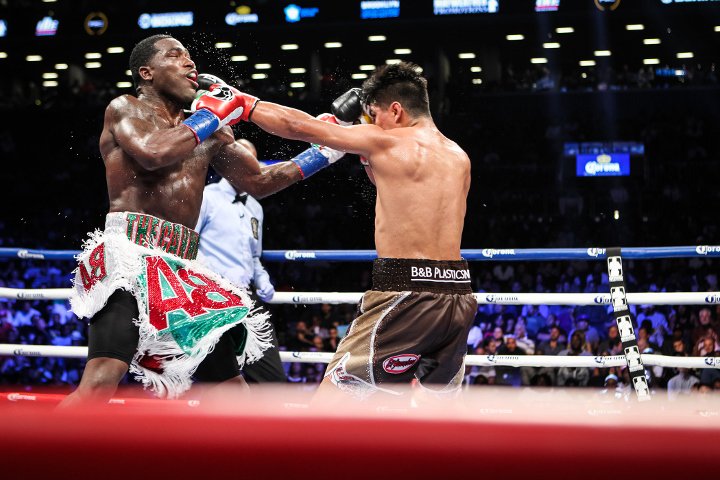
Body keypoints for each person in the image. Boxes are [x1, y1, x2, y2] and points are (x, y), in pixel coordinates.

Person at [60, 34, 343, 406]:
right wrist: (213, 114)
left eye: (190, 57)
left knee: (232, 391)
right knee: (101, 381)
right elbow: (152, 153)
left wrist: (325, 151)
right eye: (175, 56)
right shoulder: (125, 108)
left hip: (182, 272)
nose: (189, 63)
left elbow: (259, 181)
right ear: (146, 72)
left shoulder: (210, 129)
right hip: (130, 257)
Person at [218, 61, 478, 399]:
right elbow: (398, 186)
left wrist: (243, 103)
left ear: (395, 110)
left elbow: (300, 126)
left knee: (329, 405)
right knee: (431, 411)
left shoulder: (386, 140)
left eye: (375, 115)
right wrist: (364, 147)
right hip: (458, 296)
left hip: (406, 294)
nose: (373, 124)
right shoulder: (458, 156)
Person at [195, 138, 287, 383]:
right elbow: (189, 243)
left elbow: (254, 255)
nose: (249, 167)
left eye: (252, 161)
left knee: (272, 381)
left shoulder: (255, 207)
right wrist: (211, 277)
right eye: (243, 160)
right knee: (220, 381)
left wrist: (262, 277)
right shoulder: (206, 197)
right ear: (228, 163)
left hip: (247, 298)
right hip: (212, 300)